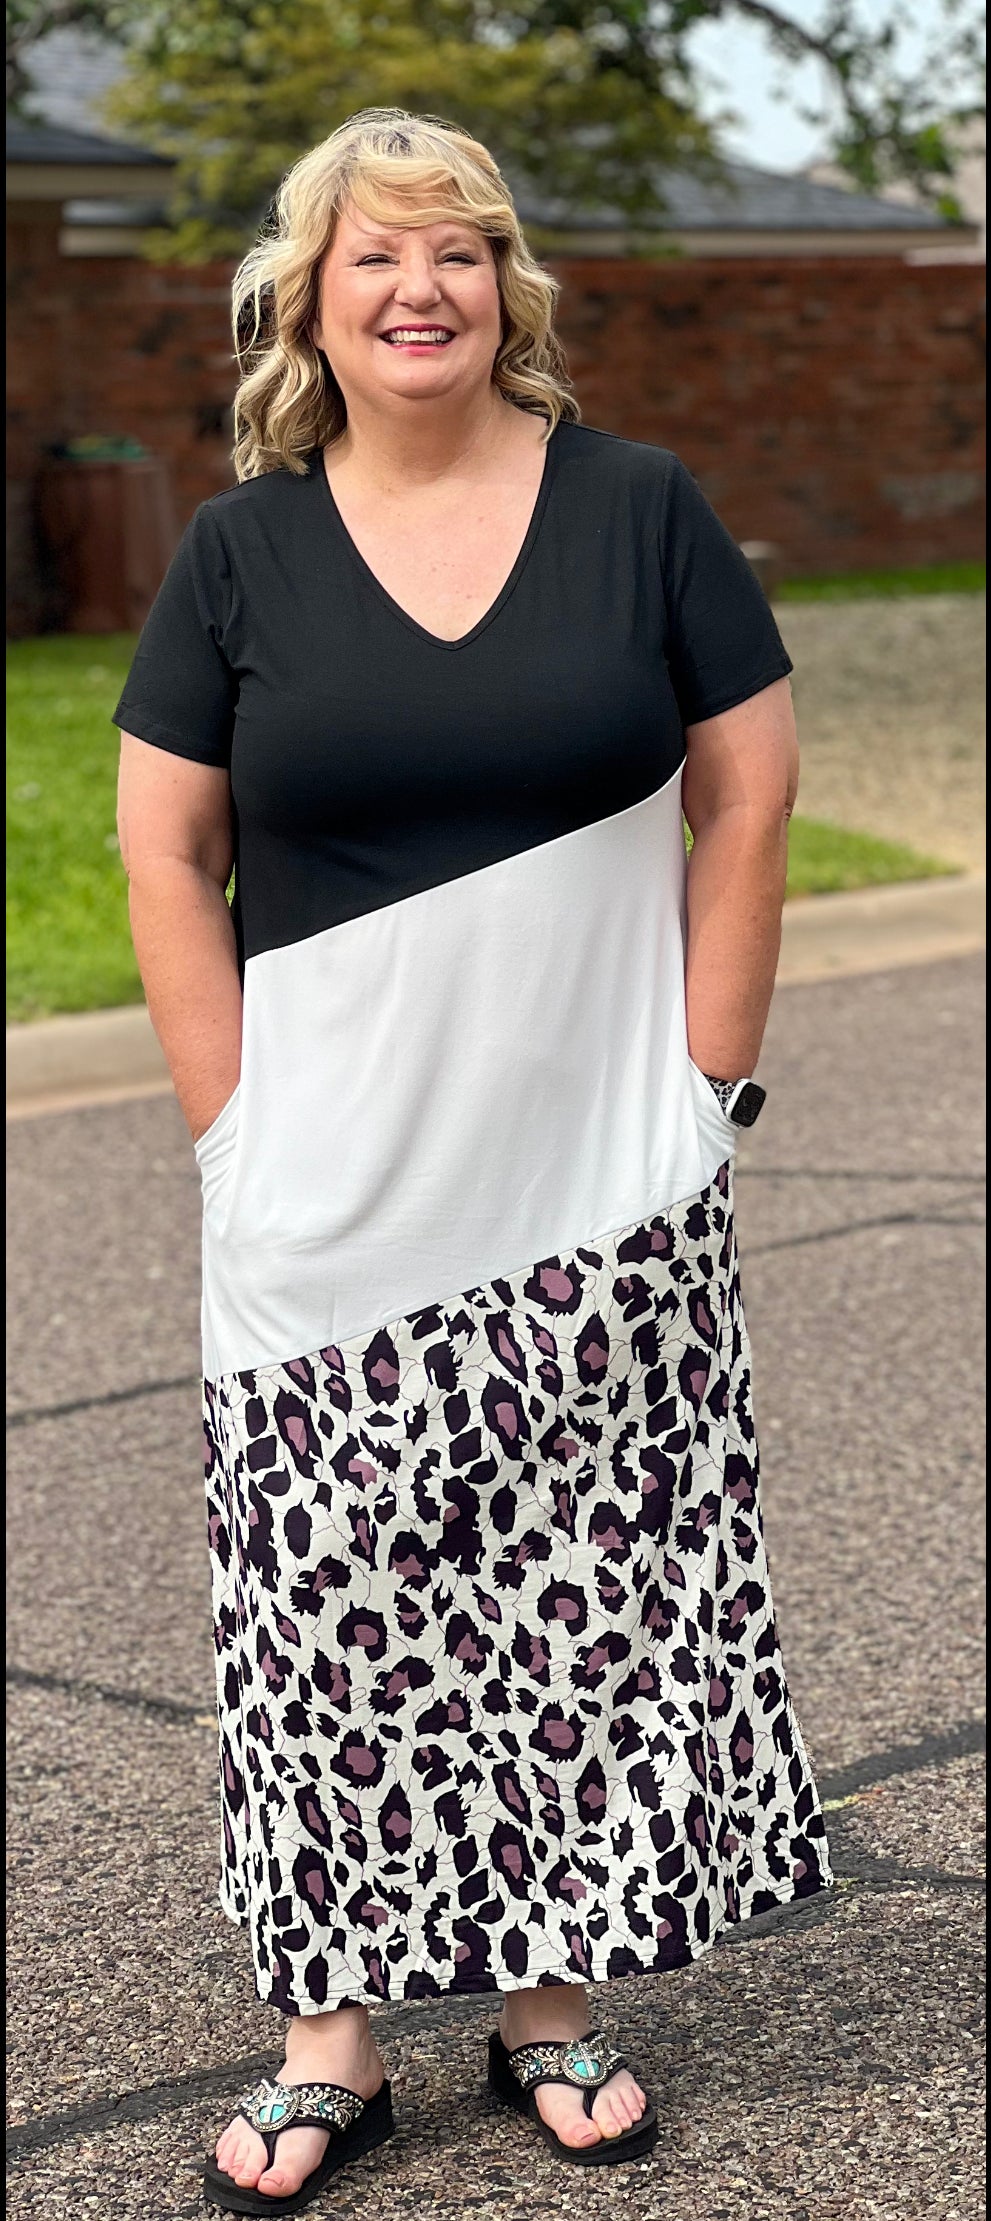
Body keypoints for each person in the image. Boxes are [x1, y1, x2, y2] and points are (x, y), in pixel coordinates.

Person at [114, 105, 831, 2217]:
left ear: (505, 287)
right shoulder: (240, 548)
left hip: (598, 1174)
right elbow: (164, 847)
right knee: (329, 1603)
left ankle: (547, 1998)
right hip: (327, 1189)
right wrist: (229, 1131)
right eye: (371, 258)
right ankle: (329, 2030)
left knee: (580, 1589)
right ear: (310, 301)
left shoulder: (638, 510)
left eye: (454, 253)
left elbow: (755, 798)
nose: (415, 289)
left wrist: (698, 1094)